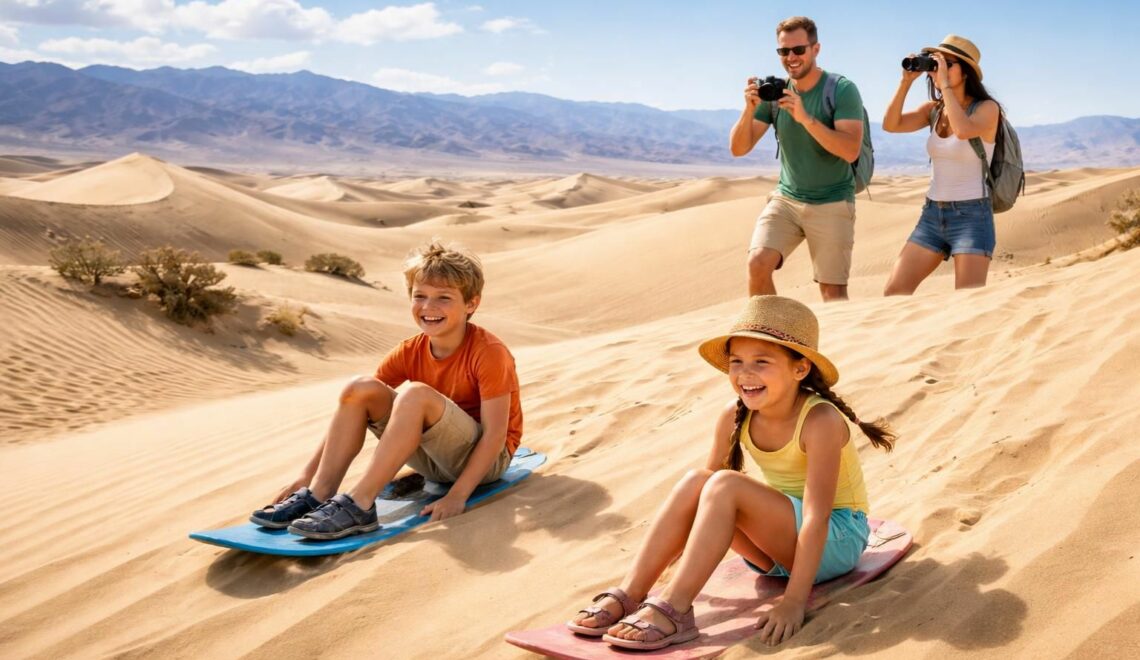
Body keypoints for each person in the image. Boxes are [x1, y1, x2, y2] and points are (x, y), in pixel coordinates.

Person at [565, 295, 895, 650]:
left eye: (762, 362)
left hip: (835, 541)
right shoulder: (734, 415)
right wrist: (672, 559)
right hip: (777, 550)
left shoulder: (820, 420)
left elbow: (817, 516)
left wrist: (794, 601)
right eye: (736, 362)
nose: (745, 373)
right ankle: (632, 592)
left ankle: (674, 610)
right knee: (699, 480)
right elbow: (700, 505)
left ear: (800, 369)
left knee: (724, 484)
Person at [249, 240, 523, 540]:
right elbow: (350, 410)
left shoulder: (489, 352)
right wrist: (306, 475)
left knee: (415, 394)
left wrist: (458, 495)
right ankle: (319, 493)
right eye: (420, 296)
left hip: (487, 463)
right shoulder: (409, 351)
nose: (429, 307)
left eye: (444, 298)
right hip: (435, 462)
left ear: (471, 304)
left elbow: (496, 435)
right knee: (360, 388)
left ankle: (360, 504)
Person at [730, 16, 866, 302]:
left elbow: (850, 150)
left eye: (798, 50)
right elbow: (739, 149)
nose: (791, 57)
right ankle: (772, 339)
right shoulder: (775, 93)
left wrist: (806, 119)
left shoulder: (841, 90)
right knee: (757, 263)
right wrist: (748, 109)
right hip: (787, 199)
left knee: (832, 292)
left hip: (832, 200)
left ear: (815, 49)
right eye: (783, 51)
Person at [882, 35, 1001, 294]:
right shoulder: (933, 110)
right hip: (932, 215)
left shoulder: (987, 109)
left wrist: (945, 86)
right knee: (894, 293)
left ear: (966, 73)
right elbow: (890, 125)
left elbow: (963, 130)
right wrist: (905, 83)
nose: (940, 70)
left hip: (972, 216)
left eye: (949, 64)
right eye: (937, 64)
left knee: (967, 301)